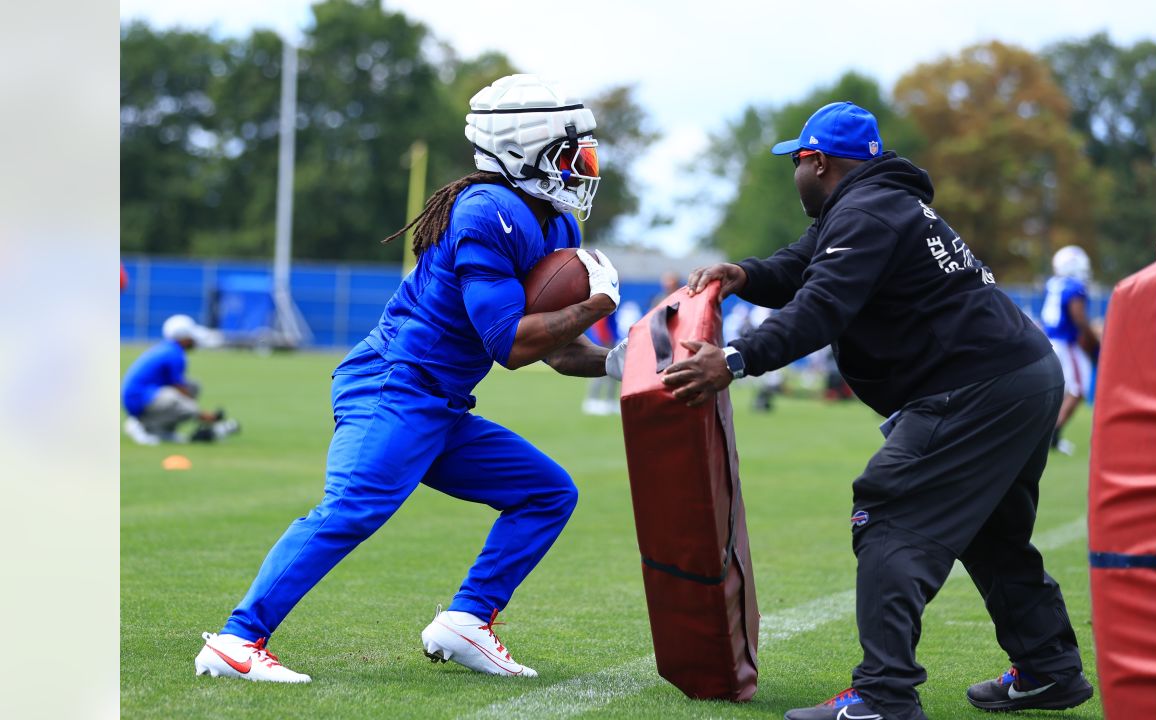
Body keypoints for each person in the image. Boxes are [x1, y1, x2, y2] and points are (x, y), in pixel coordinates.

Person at [661, 102, 1092, 720]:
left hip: (977, 385)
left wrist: (732, 359)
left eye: (797, 163)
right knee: (993, 535)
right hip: (1019, 375)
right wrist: (744, 276)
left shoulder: (865, 212)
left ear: (817, 163)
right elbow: (799, 266)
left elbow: (820, 308)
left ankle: (884, 696)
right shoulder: (875, 202)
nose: (796, 175)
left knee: (888, 512)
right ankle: (1049, 669)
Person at [194, 74, 624, 683]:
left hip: (440, 403)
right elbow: (510, 345)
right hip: (393, 386)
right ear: (522, 149)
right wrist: (593, 307)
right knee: (353, 508)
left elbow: (553, 349)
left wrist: (617, 359)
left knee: (546, 493)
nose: (583, 167)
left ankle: (468, 620)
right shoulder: (489, 212)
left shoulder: (554, 225)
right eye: (570, 153)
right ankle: (236, 641)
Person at [121, 314, 239, 445]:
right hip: (138, 398)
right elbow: (179, 388)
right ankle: (140, 425)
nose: (194, 341)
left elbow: (181, 386)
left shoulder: (169, 348)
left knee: (193, 387)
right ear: (183, 338)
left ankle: (163, 429)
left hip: (145, 395)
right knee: (179, 401)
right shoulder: (174, 354)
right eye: (191, 337)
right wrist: (202, 415)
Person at [1040, 245, 1100, 455]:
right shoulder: (1074, 286)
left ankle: (1049, 435)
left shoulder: (1052, 284)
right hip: (1066, 343)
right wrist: (1094, 341)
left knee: (1061, 390)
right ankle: (1052, 436)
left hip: (1049, 341)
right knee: (1078, 389)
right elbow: (1079, 319)